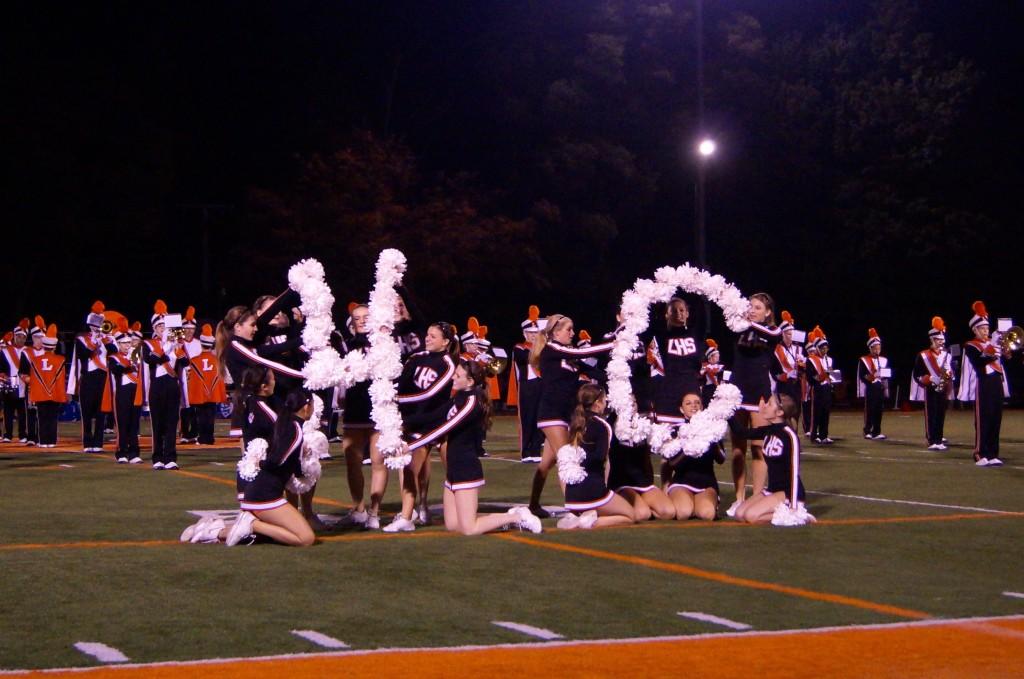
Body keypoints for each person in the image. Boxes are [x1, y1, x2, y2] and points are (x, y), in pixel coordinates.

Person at [404, 360, 541, 535]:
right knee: (453, 525)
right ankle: (508, 516)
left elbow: (445, 428)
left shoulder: (472, 403)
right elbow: (432, 416)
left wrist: (412, 446)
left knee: (469, 529)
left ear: (470, 382)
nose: (453, 376)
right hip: (453, 469)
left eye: (458, 375)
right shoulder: (458, 398)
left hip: (465, 468)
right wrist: (401, 421)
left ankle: (517, 518)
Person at [527, 314, 614, 518]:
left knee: (546, 462)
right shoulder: (553, 349)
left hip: (566, 414)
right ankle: (575, 508)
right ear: (555, 332)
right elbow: (586, 352)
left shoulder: (569, 356)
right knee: (567, 458)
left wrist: (620, 377)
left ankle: (533, 504)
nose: (573, 333)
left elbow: (595, 373)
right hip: (551, 413)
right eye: (569, 329)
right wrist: (613, 344)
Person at [384, 322, 459, 532]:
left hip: (440, 424)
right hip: (416, 422)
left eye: (433, 336)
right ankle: (407, 517)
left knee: (452, 469)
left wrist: (396, 399)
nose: (427, 339)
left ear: (445, 342)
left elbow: (430, 393)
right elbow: (402, 383)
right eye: (427, 334)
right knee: (409, 468)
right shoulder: (415, 358)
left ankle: (458, 509)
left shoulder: (448, 363)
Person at [726, 293, 781, 517]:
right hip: (737, 392)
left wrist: (746, 321)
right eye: (750, 306)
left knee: (759, 447)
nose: (752, 309)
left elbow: (771, 334)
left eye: (758, 307)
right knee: (738, 449)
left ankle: (757, 495)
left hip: (759, 394)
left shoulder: (772, 331)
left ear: (768, 312)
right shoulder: (739, 328)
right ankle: (739, 498)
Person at [556, 384, 639, 529]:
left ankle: (578, 516)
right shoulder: (602, 425)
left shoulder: (575, 423)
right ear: (598, 402)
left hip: (572, 496)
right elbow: (601, 459)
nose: (606, 403)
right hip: (593, 491)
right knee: (630, 515)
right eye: (605, 399)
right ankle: (591, 522)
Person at [732, 394, 809, 524]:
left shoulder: (789, 436)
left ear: (779, 412)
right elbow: (741, 432)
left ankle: (800, 516)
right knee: (739, 514)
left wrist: (793, 507)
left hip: (788, 493)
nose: (764, 406)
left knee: (751, 517)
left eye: (769, 404)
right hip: (772, 489)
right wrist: (726, 411)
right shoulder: (769, 430)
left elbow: (795, 472)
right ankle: (779, 511)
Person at [336, 304, 377, 528]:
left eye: (365, 317)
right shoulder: (346, 346)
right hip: (354, 408)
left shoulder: (384, 344)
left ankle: (375, 512)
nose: (361, 321)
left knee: (379, 463)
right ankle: (359, 509)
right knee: (353, 461)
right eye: (357, 318)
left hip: (379, 409)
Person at [957, 301, 1010, 467]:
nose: (986, 332)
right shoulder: (971, 345)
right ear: (975, 330)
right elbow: (979, 362)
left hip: (996, 383)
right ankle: (980, 453)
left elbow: (1004, 358)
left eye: (987, 329)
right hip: (984, 384)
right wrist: (993, 349)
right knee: (983, 419)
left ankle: (993, 453)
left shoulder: (992, 344)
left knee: (996, 418)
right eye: (983, 329)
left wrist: (1005, 349)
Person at [142, 300, 188, 470]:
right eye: (160, 327)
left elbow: (185, 362)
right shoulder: (149, 344)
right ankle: (157, 457)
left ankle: (170, 457)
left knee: (171, 422)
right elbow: (151, 359)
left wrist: (177, 346)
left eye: (165, 326)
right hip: (157, 386)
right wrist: (167, 347)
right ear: (155, 329)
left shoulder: (177, 344)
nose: (163, 329)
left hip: (172, 385)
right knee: (157, 424)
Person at [666, 393, 722, 521]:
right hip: (682, 482)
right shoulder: (676, 430)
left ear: (702, 406)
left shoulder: (712, 428)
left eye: (697, 402)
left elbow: (721, 459)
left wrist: (711, 438)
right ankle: (684, 501)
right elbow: (672, 463)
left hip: (706, 483)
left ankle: (703, 503)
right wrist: (689, 446)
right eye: (688, 403)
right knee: (684, 512)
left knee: (707, 514)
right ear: (681, 409)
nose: (694, 406)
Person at [68, 301, 113, 453]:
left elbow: (113, 352)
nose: (98, 326)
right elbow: (83, 355)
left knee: (102, 412)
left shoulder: (108, 338)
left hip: (102, 377)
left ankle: (98, 443)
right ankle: (88, 442)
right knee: (86, 412)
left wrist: (105, 339)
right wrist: (94, 341)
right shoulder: (81, 339)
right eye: (95, 323)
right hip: (88, 377)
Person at [650, 298, 703, 424]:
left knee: (695, 431)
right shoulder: (661, 335)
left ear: (688, 313)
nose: (679, 313)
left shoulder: (695, 333)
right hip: (668, 390)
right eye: (673, 311)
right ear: (666, 314)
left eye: (682, 310)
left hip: (691, 388)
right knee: (668, 434)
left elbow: (701, 307)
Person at [506, 305, 545, 463]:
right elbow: (527, 358)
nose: (534, 336)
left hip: (542, 385)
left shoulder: (544, 348)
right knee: (527, 418)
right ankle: (526, 451)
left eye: (537, 333)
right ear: (524, 333)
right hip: (527, 386)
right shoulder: (519, 347)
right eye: (531, 333)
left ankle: (536, 449)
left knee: (539, 417)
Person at [911, 317, 952, 450]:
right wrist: (928, 379)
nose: (941, 343)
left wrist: (949, 374)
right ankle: (931, 440)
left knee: (941, 414)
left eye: (942, 340)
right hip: (930, 388)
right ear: (932, 340)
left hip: (942, 388)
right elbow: (917, 374)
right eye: (938, 340)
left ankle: (939, 439)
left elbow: (950, 370)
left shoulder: (946, 355)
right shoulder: (923, 355)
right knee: (931, 414)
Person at [107, 319, 143, 463]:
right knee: (122, 424)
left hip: (135, 392)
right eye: (124, 343)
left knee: (134, 424)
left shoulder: (137, 356)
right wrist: (130, 362)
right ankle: (121, 452)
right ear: (118, 344)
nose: (127, 346)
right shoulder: (114, 358)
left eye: (129, 343)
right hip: (122, 393)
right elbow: (117, 369)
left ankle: (134, 453)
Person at [27, 324, 67, 448]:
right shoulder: (60, 359)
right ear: (54, 346)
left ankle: (43, 441)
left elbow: (33, 380)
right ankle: (52, 441)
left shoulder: (35, 359)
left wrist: (32, 395)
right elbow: (61, 380)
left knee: (42, 418)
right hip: (55, 393)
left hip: (40, 393)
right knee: (53, 418)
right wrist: (62, 396)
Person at [187, 324, 227, 446]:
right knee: (210, 416)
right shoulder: (218, 360)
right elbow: (222, 376)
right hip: (213, 392)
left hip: (200, 392)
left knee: (200, 416)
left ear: (201, 343)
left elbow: (190, 378)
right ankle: (209, 438)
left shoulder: (193, 360)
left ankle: (202, 437)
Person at [857, 328, 890, 440]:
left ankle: (877, 431)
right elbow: (862, 375)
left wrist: (885, 376)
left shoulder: (884, 360)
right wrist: (872, 377)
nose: (877, 350)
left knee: (879, 410)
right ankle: (867, 430)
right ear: (870, 348)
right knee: (870, 409)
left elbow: (885, 375)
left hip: (880, 387)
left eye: (879, 348)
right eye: (875, 348)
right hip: (870, 387)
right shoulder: (864, 360)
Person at [805, 327, 836, 444]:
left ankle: (824, 435)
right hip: (817, 388)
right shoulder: (811, 360)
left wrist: (833, 377)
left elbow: (831, 375)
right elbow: (810, 376)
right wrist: (821, 377)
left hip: (827, 388)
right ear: (817, 348)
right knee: (816, 413)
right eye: (822, 348)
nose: (824, 350)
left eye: (826, 348)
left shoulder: (830, 360)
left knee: (826, 412)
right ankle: (814, 435)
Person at [1, 320, 30, 443]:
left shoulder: (29, 351)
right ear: (14, 336)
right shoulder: (6, 350)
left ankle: (23, 434)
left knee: (23, 412)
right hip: (9, 382)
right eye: (18, 336)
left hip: (23, 383)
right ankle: (8, 435)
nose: (20, 339)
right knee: (8, 410)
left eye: (23, 337)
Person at [771, 311, 804, 416]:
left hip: (796, 384)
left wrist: (802, 362)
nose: (791, 336)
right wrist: (788, 374)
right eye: (789, 334)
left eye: (792, 334)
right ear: (783, 334)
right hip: (783, 384)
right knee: (784, 412)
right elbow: (775, 370)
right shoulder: (777, 349)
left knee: (796, 412)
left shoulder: (798, 349)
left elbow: (803, 369)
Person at [699, 339, 724, 408]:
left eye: (718, 356)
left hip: (718, 387)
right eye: (716, 356)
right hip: (708, 388)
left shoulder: (720, 367)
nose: (718, 357)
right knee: (708, 404)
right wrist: (706, 369)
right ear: (710, 358)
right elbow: (701, 374)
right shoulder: (706, 367)